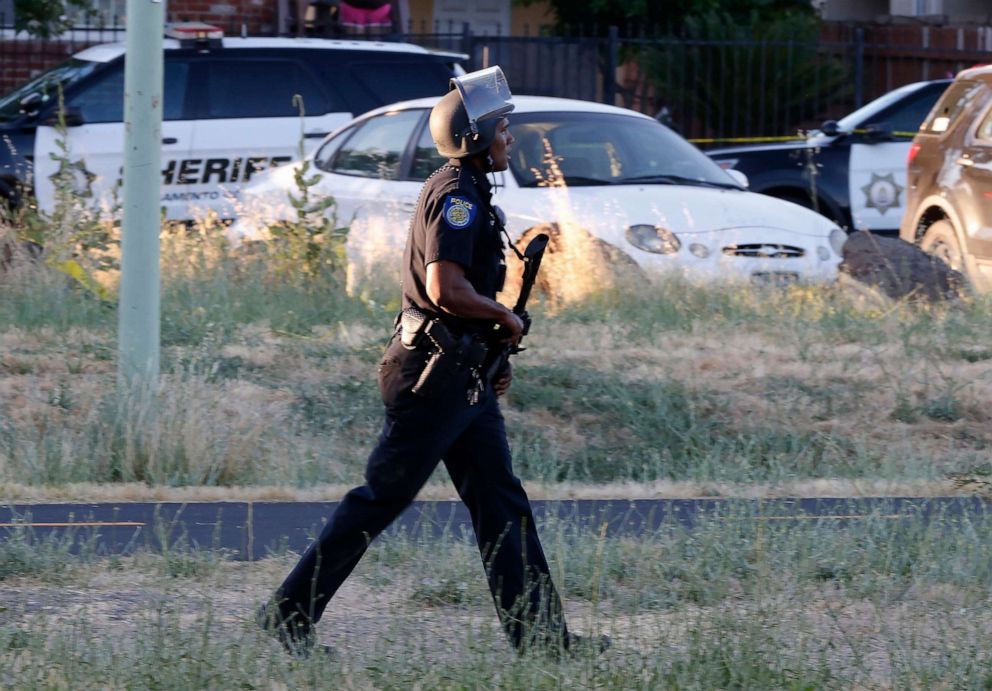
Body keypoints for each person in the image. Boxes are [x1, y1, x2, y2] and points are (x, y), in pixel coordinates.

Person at [259, 66, 591, 658]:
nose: (509, 135)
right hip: (432, 380)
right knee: (379, 499)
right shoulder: (457, 195)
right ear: (475, 136)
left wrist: (494, 350)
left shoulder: (469, 189)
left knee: (502, 504)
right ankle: (288, 614)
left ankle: (544, 644)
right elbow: (446, 289)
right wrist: (506, 319)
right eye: (502, 127)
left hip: (463, 374)